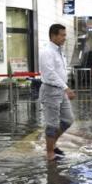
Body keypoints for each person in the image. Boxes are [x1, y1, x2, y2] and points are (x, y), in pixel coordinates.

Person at [39, 24, 76, 161]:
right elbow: (49, 74)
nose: (65, 38)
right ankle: (50, 153)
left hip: (60, 89)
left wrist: (65, 87)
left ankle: (52, 144)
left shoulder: (59, 51)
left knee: (68, 120)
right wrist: (66, 88)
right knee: (52, 123)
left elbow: (59, 72)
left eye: (65, 35)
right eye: (62, 35)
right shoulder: (47, 52)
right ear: (53, 35)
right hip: (50, 90)